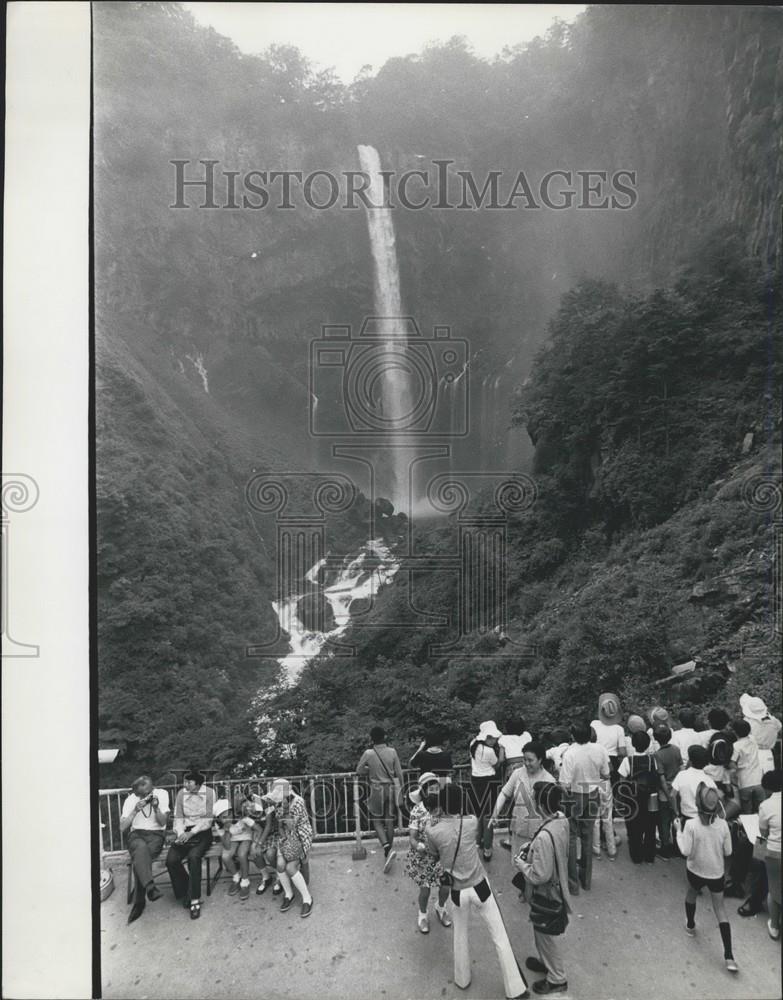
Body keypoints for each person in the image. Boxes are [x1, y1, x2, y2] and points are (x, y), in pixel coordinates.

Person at [425, 784, 528, 1000]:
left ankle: (462, 979)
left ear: (441, 805)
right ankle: (515, 988)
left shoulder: (432, 831)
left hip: (456, 890)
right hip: (479, 885)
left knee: (460, 936)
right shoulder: (471, 822)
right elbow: (473, 831)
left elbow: (432, 855)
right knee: (499, 936)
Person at [516, 782, 572, 995]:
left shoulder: (543, 838)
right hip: (559, 886)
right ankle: (545, 962)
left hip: (546, 894)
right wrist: (532, 848)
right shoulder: (561, 819)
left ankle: (557, 978)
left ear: (540, 805)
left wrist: (522, 865)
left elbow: (540, 875)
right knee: (542, 932)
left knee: (545, 935)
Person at [677, 783, 737, 973]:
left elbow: (685, 850)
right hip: (716, 873)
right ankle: (729, 956)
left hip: (695, 870)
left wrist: (678, 830)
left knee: (691, 894)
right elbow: (728, 851)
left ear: (697, 803)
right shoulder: (723, 826)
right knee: (720, 910)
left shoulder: (691, 825)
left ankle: (690, 925)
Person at [489, 741, 555, 878]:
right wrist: (495, 813)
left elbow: (553, 812)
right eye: (524, 759)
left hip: (539, 834)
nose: (526, 763)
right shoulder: (518, 773)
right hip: (519, 830)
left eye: (530, 760)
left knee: (536, 867)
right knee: (518, 865)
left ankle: (531, 894)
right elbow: (504, 793)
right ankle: (522, 891)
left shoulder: (549, 780)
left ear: (540, 759)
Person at [559, 721, 609, 893]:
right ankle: (586, 880)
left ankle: (573, 884)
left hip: (575, 794)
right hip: (594, 793)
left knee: (571, 836)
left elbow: (564, 783)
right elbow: (606, 773)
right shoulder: (600, 749)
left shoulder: (570, 753)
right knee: (587, 836)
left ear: (572, 736)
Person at [404, 772, 452, 933]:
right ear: (424, 791)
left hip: (443, 856)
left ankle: (441, 907)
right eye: (431, 788)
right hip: (424, 858)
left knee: (446, 887)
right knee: (425, 891)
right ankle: (422, 915)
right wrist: (418, 846)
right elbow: (412, 838)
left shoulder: (446, 806)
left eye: (437, 788)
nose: (435, 791)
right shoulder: (417, 811)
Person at [166, 769, 217, 919]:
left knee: (194, 857)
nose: (185, 785)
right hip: (184, 831)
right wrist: (181, 833)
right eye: (184, 782)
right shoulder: (181, 793)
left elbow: (208, 819)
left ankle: (194, 899)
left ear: (198, 783)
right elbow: (178, 817)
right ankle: (187, 890)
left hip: (202, 831)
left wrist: (192, 833)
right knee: (171, 860)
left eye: (189, 782)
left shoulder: (209, 792)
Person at [120, 775, 170, 924]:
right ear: (136, 794)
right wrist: (135, 811)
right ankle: (150, 888)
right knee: (141, 849)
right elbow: (122, 828)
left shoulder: (162, 794)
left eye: (150, 791)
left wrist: (155, 807)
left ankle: (139, 902)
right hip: (136, 834)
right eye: (144, 794)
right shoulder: (130, 800)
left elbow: (163, 823)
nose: (148, 796)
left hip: (156, 834)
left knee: (140, 857)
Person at [357, 725, 405, 872]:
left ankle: (387, 849)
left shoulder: (368, 753)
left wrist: (370, 770)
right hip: (391, 788)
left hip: (376, 789)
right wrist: (401, 789)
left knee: (376, 821)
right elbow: (399, 772)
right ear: (385, 737)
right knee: (389, 820)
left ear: (372, 739)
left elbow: (359, 770)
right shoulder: (392, 752)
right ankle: (389, 851)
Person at [267, 778, 314, 917]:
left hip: (301, 835)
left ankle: (307, 898)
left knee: (290, 867)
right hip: (285, 836)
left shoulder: (297, 801)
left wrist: (284, 807)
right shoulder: (278, 802)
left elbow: (291, 826)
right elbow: (280, 827)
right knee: (280, 865)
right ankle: (289, 894)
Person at [618, 731, 660, 864]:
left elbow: (622, 781)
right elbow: (656, 776)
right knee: (650, 826)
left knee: (633, 827)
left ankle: (636, 855)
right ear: (648, 744)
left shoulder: (627, 760)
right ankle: (649, 855)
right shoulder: (652, 760)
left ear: (633, 744)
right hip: (650, 798)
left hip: (632, 799)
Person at [469, 720, 505, 861]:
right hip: (489, 782)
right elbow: (497, 764)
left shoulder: (473, 744)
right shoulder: (489, 751)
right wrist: (501, 750)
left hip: (475, 781)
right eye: (490, 737)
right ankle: (488, 848)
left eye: (494, 737)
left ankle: (478, 842)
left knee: (479, 813)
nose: (493, 740)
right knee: (488, 816)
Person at [758, 769, 782, 939]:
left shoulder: (766, 805)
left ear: (767, 788)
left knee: (774, 891)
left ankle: (774, 925)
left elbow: (763, 832)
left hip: (775, 853)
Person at [219, 798, 257, 900]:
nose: (227, 819)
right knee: (225, 856)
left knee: (242, 854)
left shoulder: (241, 817)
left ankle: (245, 881)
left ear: (232, 812)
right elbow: (227, 846)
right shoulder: (219, 825)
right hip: (232, 839)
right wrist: (226, 831)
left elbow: (256, 828)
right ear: (218, 818)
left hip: (246, 837)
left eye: (228, 815)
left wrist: (254, 843)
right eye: (223, 817)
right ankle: (236, 877)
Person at [653, 724, 682, 859]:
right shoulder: (676, 749)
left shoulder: (657, 755)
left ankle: (665, 849)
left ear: (655, 738)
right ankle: (678, 846)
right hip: (677, 789)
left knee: (663, 821)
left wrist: (667, 793)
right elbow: (681, 768)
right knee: (676, 817)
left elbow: (662, 778)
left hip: (665, 792)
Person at [672, 745, 718, 820]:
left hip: (686, 816)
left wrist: (676, 812)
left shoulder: (682, 775)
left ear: (690, 761)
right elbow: (717, 798)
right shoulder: (708, 780)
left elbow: (672, 795)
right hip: (703, 818)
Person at [740, 694, 782, 775]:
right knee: (769, 782)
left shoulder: (747, 722)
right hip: (768, 753)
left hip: (752, 754)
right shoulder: (774, 721)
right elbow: (779, 727)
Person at [730, 718, 764, 814]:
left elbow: (732, 763)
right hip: (758, 781)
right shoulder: (754, 741)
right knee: (760, 811)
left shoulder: (736, 746)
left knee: (747, 812)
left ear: (735, 732)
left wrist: (733, 772)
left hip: (744, 782)